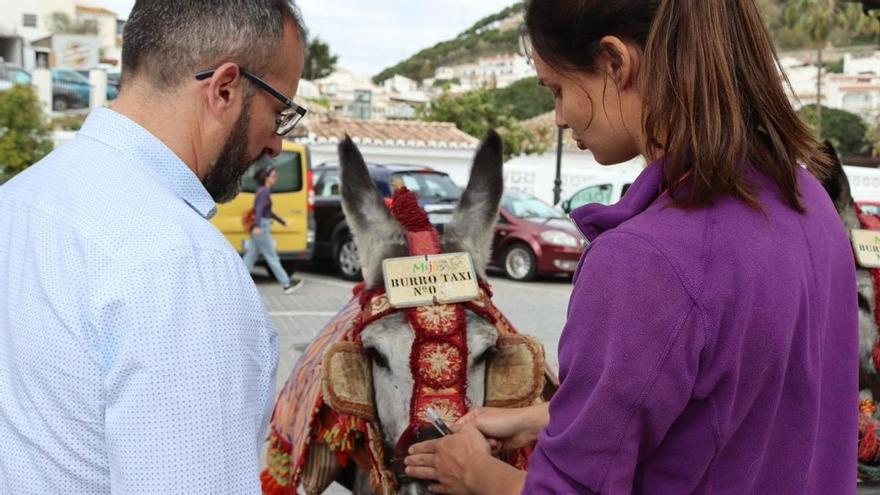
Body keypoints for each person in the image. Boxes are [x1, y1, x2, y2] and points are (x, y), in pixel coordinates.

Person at [405, 0, 858, 493]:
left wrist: (476, 473)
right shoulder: (808, 199)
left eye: (556, 89)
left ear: (616, 62)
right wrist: (550, 417)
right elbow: (751, 400)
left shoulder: (647, 260)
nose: (558, 117)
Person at [0, 1, 307, 493]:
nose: (276, 143)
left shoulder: (18, 199)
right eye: (279, 111)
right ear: (224, 88)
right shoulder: (183, 262)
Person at [244, 164, 304, 293]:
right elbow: (259, 210)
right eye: (273, 176)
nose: (275, 179)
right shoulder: (264, 191)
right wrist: (258, 226)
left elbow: (267, 211)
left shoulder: (261, 190)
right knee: (272, 257)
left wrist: (281, 221)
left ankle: (237, 280)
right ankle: (286, 284)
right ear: (266, 178)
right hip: (262, 227)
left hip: (261, 226)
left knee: (251, 256)